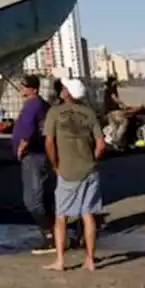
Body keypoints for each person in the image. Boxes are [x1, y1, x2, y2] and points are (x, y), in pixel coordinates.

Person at [42, 79, 105, 272]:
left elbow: (49, 143)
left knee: (61, 216)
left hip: (68, 169)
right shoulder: (89, 113)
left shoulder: (55, 112)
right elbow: (101, 144)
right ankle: (90, 260)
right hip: (90, 169)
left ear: (68, 93)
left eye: (64, 88)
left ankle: (60, 260)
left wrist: (55, 164)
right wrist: (91, 159)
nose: (61, 90)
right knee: (88, 215)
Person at [10, 74, 55, 255]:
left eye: (24, 86)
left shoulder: (33, 104)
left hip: (33, 156)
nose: (21, 88)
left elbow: (28, 128)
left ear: (33, 89)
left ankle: (50, 234)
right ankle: (51, 233)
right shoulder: (37, 104)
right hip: (37, 155)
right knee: (41, 196)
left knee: (33, 200)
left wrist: (22, 146)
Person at [102, 74, 130, 146]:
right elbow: (114, 98)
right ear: (113, 82)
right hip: (115, 111)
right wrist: (123, 104)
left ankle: (116, 143)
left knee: (114, 127)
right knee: (124, 122)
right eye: (115, 81)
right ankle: (117, 140)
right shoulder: (112, 88)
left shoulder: (106, 90)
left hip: (108, 113)